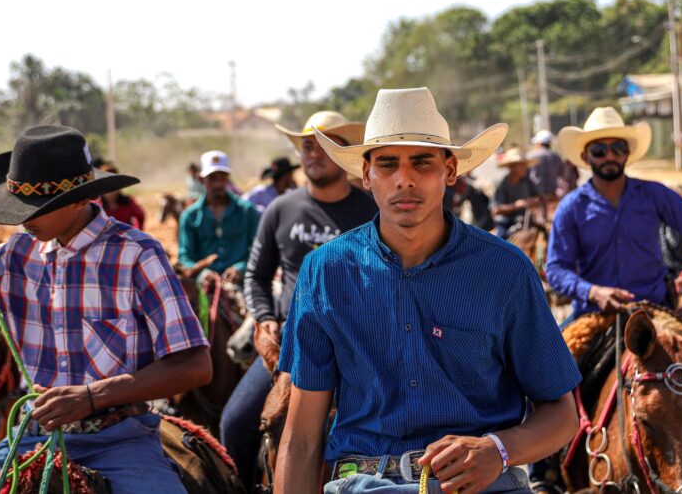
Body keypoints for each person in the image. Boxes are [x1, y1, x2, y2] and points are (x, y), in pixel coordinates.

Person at [275, 87, 580, 494]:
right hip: (362, 483)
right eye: (387, 165)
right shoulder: (324, 273)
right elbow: (302, 439)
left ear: (450, 171)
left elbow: (562, 413)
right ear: (366, 175)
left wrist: (498, 449)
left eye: (422, 162)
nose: (405, 179)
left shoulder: (505, 270)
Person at [0, 125, 210, 493]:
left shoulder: (136, 253)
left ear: (80, 199)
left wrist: (93, 396)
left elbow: (195, 365)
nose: (23, 218)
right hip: (33, 438)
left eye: (37, 208)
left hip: (120, 440)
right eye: (18, 207)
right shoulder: (12, 257)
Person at [542, 106, 682, 494]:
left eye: (616, 147)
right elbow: (555, 269)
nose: (608, 156)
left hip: (656, 314)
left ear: (626, 153)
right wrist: (594, 291)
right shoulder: (572, 207)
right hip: (596, 315)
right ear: (587, 156)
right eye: (599, 149)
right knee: (546, 377)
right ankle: (546, 474)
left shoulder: (654, 195)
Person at [219, 111, 375, 489]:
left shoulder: (371, 210)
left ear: (346, 152)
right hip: (291, 340)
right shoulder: (280, 209)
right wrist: (264, 316)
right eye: (307, 145)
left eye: (325, 144)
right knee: (235, 424)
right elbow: (256, 276)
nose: (314, 153)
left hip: (361, 340)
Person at [178, 150, 260, 278]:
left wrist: (240, 268)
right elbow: (185, 257)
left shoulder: (247, 211)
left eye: (222, 177)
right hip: (204, 285)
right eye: (212, 178)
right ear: (201, 179)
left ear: (228, 178)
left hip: (242, 281)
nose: (217, 184)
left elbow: (259, 250)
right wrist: (203, 274)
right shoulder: (189, 216)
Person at [490, 147, 541, 238]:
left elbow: (538, 198)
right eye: (521, 165)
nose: (525, 168)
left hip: (525, 221)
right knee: (500, 242)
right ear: (512, 167)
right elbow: (496, 210)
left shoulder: (527, 182)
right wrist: (516, 205)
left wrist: (532, 201)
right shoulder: (502, 185)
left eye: (524, 165)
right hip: (506, 223)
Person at [99, 162, 146, 229]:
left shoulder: (128, 202)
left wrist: (136, 232)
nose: (111, 192)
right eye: (107, 188)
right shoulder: (96, 206)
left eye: (114, 187)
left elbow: (140, 216)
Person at [528, 130, 564, 199]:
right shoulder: (556, 157)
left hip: (535, 197)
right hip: (552, 195)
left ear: (539, 143)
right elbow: (561, 175)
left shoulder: (530, 156)